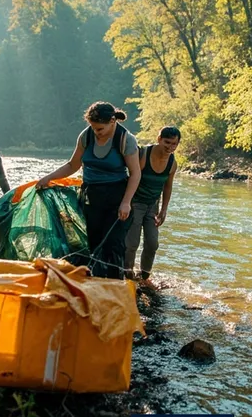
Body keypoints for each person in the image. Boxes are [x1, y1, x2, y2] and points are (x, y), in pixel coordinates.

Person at [36, 101, 141, 279]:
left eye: (99, 129)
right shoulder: (86, 136)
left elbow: (135, 173)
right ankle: (96, 280)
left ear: (112, 122)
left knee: (113, 243)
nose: (96, 132)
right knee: (95, 241)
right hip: (91, 195)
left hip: (118, 196)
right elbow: (72, 165)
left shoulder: (125, 139)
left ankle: (115, 282)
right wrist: (48, 178)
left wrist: (126, 203)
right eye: (92, 127)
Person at [125, 126, 180, 282]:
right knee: (132, 242)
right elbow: (132, 177)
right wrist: (126, 202)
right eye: (167, 142)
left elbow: (168, 186)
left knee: (152, 243)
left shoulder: (172, 163)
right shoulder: (144, 154)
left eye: (174, 144)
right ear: (159, 139)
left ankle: (144, 276)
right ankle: (127, 274)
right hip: (135, 203)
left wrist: (164, 210)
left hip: (152, 206)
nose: (170, 147)